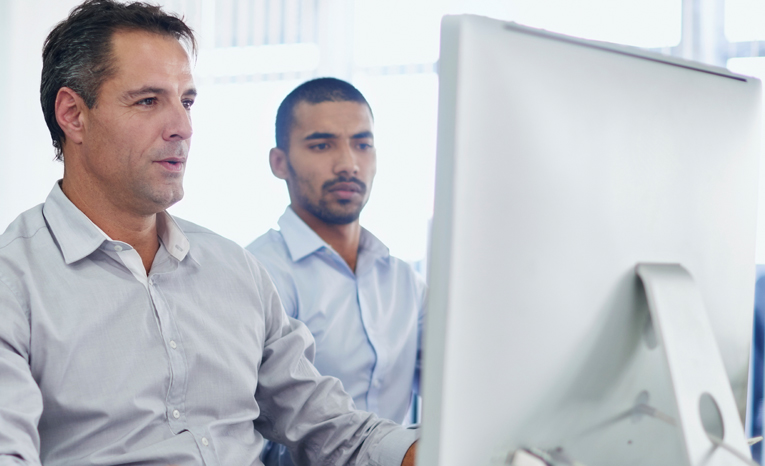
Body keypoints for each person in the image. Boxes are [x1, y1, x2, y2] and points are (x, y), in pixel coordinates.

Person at [0, 1, 418, 465]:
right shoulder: (14, 285)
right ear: (73, 115)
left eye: (187, 101)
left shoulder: (235, 269)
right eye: (148, 101)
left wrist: (427, 451)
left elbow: (328, 426)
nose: (182, 127)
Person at [246, 78, 426, 466]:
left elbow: (461, 388)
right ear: (280, 163)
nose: (348, 163)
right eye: (322, 145)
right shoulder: (256, 274)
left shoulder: (404, 281)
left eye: (362, 144)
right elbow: (271, 425)